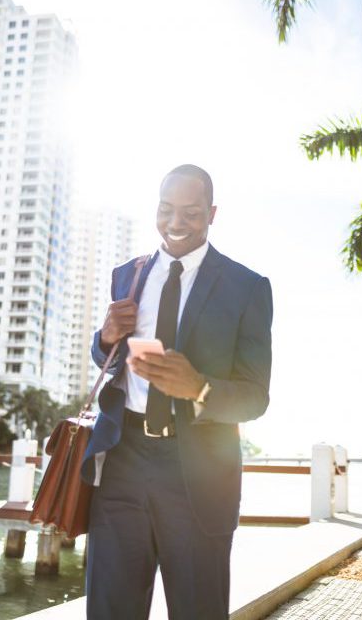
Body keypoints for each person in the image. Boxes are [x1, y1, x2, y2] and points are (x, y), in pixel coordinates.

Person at [81, 164, 274, 619]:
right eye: (167, 210)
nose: (175, 223)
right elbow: (107, 361)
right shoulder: (128, 274)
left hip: (198, 475)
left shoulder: (247, 288)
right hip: (121, 462)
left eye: (190, 213)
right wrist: (106, 337)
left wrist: (199, 387)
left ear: (211, 213)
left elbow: (256, 396)